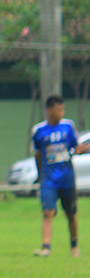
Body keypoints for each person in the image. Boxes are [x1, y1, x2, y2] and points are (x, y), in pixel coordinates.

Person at [31, 95, 88, 257]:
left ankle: (74, 246)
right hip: (49, 180)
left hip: (67, 179)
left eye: (63, 109)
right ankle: (46, 247)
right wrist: (40, 175)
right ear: (49, 110)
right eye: (58, 109)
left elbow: (75, 147)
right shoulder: (39, 130)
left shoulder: (68, 126)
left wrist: (80, 149)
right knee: (47, 213)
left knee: (71, 213)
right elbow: (37, 154)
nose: (62, 112)